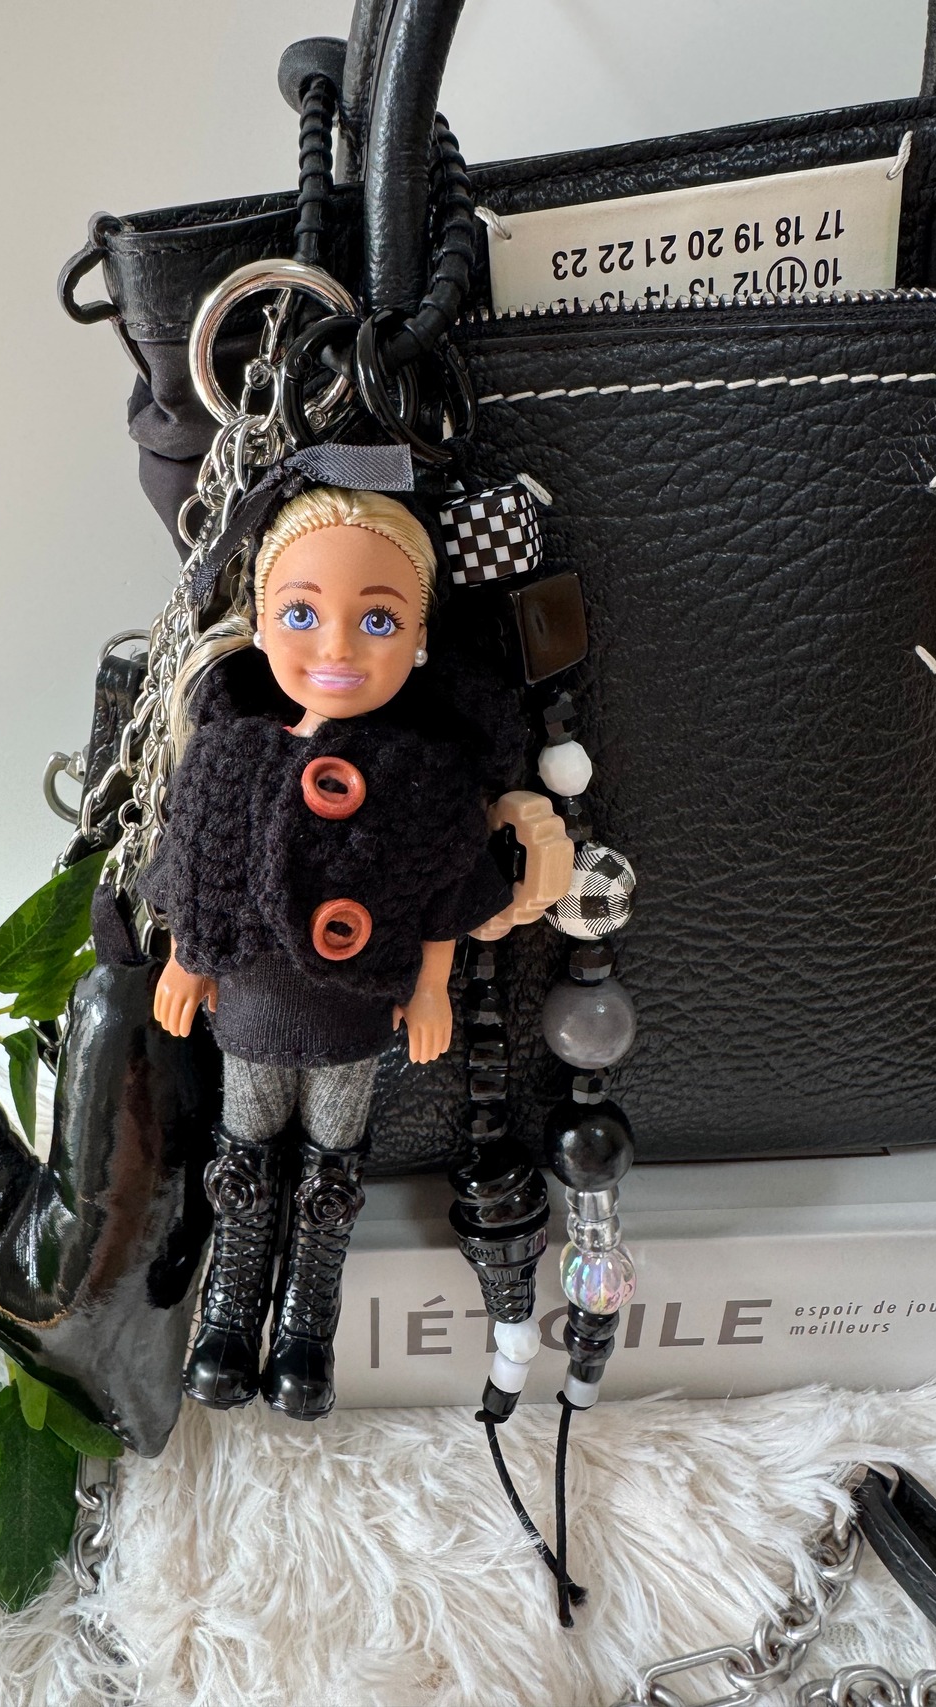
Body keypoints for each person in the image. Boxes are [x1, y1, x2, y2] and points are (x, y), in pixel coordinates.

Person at [142, 484, 556, 1420]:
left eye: (377, 620)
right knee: (244, 1152)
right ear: (258, 623)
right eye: (301, 614)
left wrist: (434, 986)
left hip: (354, 1009)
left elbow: (444, 894)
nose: (336, 648)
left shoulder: (424, 777)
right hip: (253, 1000)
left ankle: (306, 1323)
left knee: (333, 1166)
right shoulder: (230, 755)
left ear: (420, 638)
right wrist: (186, 959)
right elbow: (197, 869)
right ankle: (227, 1314)